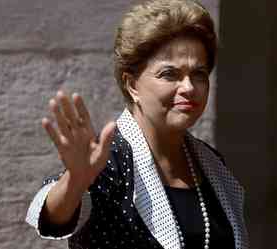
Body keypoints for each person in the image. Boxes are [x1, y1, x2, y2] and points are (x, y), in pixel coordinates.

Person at [26, 0, 249, 248]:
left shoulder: (211, 163)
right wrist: (75, 181)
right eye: (169, 74)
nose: (188, 88)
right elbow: (53, 217)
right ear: (132, 85)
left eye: (199, 74)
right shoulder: (107, 161)